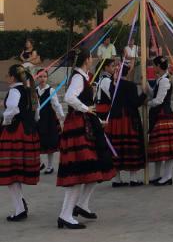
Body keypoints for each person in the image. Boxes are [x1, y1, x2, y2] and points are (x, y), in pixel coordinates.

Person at [57, 49, 115, 229]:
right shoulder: (78, 77)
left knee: (94, 166)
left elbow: (83, 104)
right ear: (86, 59)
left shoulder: (83, 77)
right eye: (90, 57)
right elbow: (69, 97)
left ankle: (80, 205)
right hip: (79, 127)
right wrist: (86, 109)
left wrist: (97, 119)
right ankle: (65, 215)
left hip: (86, 125)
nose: (92, 60)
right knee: (78, 170)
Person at [1, 64, 40, 221]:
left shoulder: (15, 90)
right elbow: (37, 113)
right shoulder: (31, 90)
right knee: (15, 173)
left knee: (11, 173)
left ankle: (19, 209)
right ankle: (20, 205)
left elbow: (12, 110)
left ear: (12, 77)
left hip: (15, 132)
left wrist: (5, 121)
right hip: (29, 132)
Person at [106, 65, 146, 187]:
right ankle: (133, 179)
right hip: (127, 119)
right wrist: (144, 94)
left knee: (117, 147)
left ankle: (116, 179)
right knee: (131, 147)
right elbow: (135, 103)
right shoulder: (131, 85)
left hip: (115, 120)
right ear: (128, 73)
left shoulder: (112, 85)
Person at [144, 56, 173, 186]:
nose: (153, 68)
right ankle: (157, 175)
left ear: (159, 66)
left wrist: (147, 103)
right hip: (159, 116)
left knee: (166, 149)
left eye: (154, 65)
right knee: (158, 148)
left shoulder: (165, 80)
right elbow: (155, 94)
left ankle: (167, 176)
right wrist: (147, 86)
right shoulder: (161, 79)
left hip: (163, 116)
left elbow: (159, 100)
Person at [36, 69, 65, 175]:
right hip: (38, 119)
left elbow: (56, 104)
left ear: (47, 78)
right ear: (37, 77)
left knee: (50, 142)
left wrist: (62, 115)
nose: (42, 79)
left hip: (49, 119)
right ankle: (39, 163)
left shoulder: (51, 90)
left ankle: (50, 166)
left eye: (44, 76)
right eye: (40, 76)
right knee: (37, 141)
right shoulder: (35, 91)